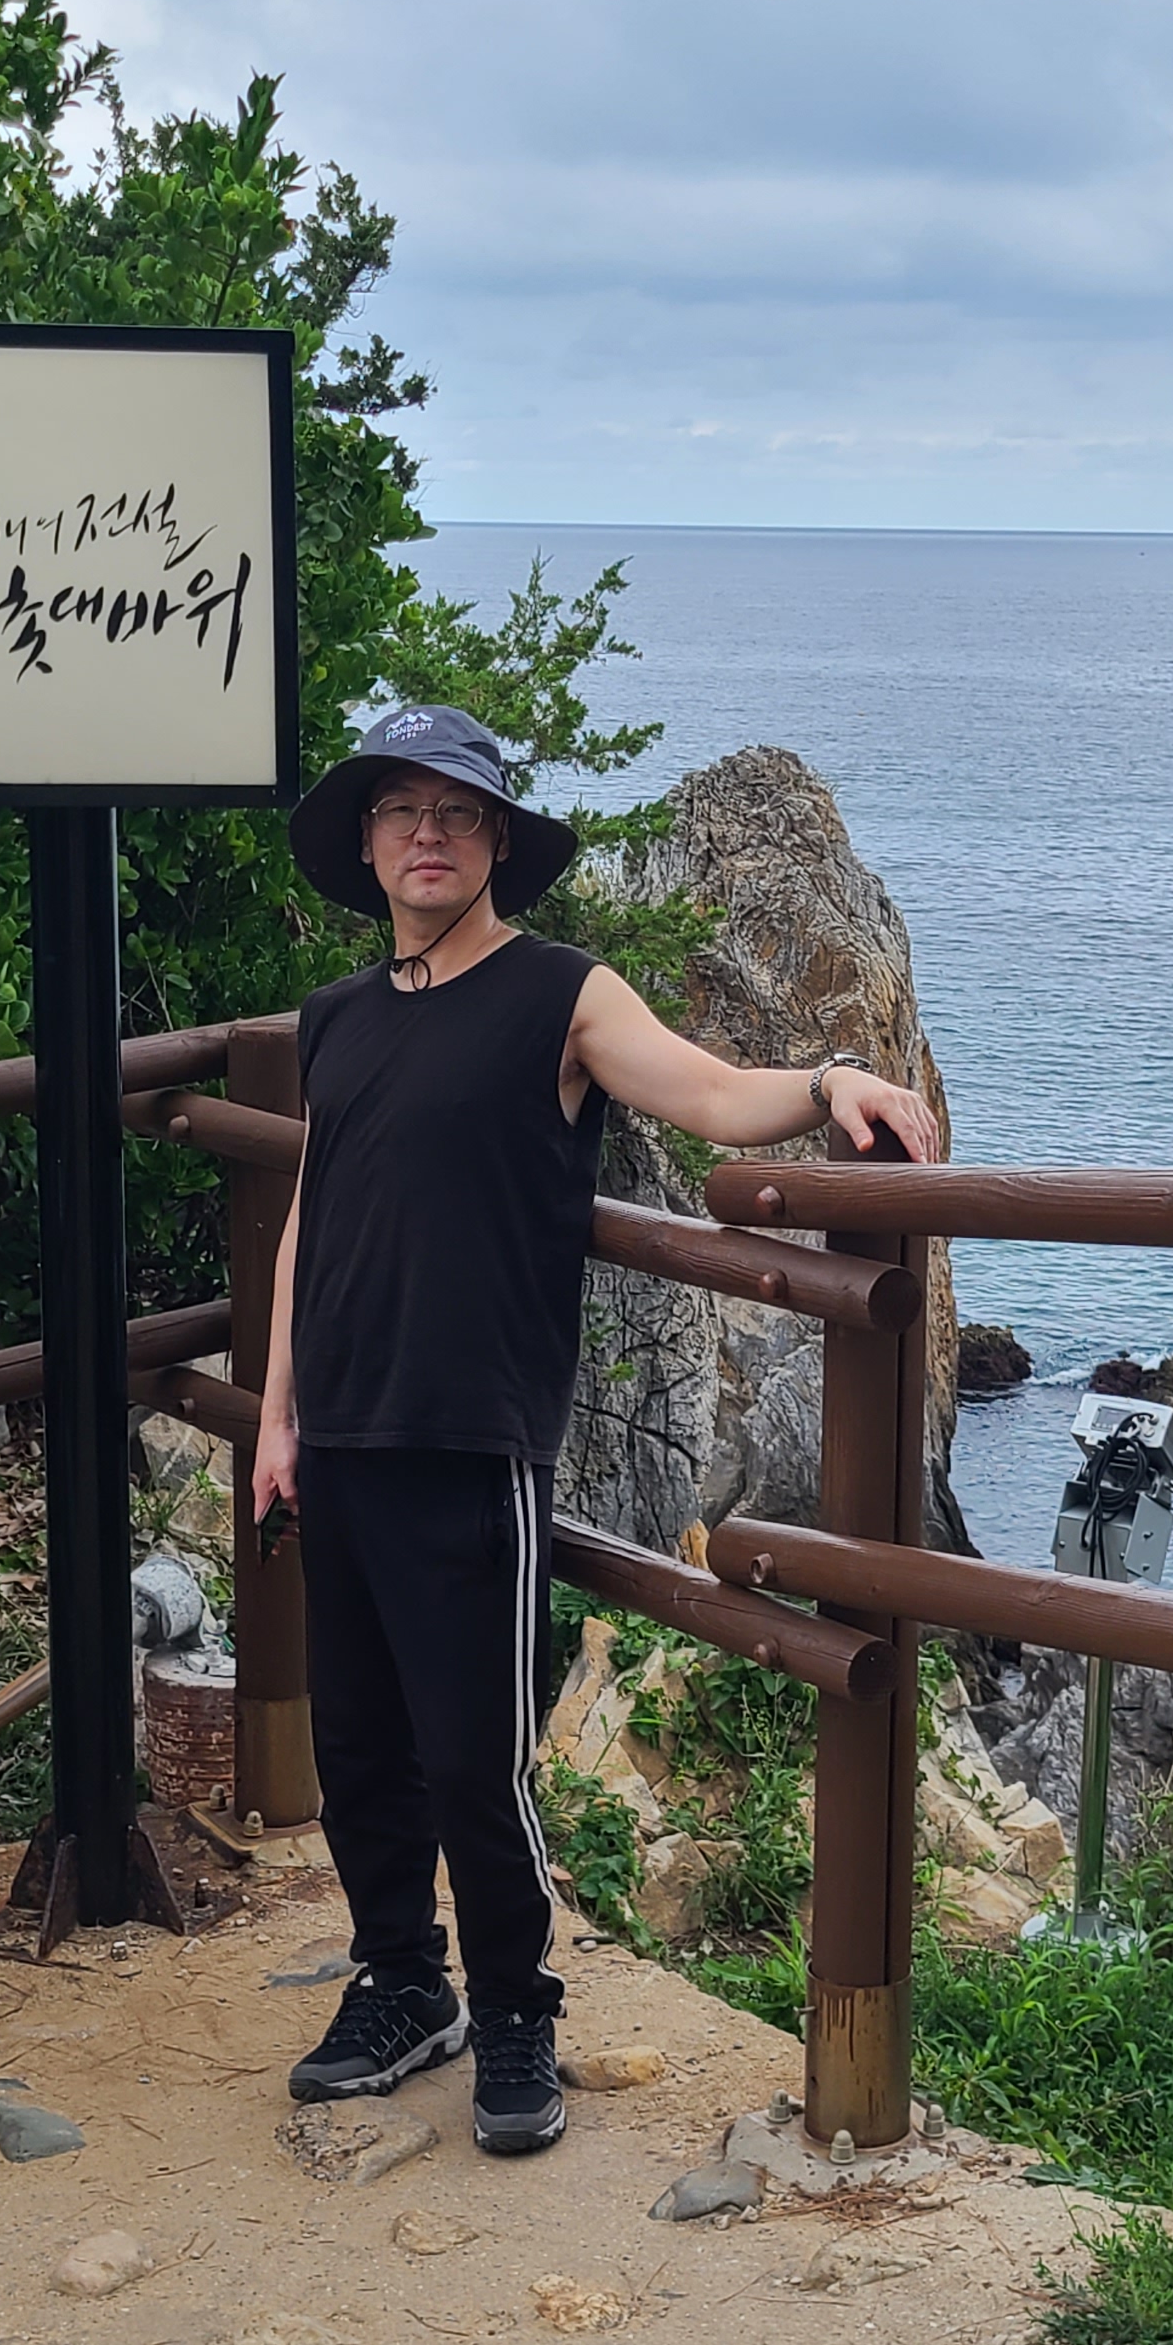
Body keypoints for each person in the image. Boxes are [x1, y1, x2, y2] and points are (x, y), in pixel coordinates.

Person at [254, 703, 942, 2154]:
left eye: (456, 812)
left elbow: (709, 1094)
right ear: (368, 844)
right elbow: (311, 1217)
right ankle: (402, 1982)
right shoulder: (335, 1019)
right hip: (343, 1431)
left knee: (474, 1758)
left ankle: (516, 2010)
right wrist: (276, 1417)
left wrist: (830, 1081)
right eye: (401, 812)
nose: (427, 835)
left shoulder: (562, 994)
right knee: (360, 1747)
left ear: (496, 842)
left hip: (475, 1436)